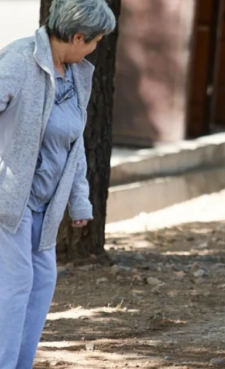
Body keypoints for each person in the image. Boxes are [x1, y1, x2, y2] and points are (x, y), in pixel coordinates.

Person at [0, 0, 116, 367]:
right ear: (77, 36)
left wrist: (80, 201)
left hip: (44, 207)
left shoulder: (78, 73)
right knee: (13, 289)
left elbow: (75, 141)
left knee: (39, 286)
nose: (96, 48)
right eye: (95, 40)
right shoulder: (19, 61)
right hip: (8, 200)